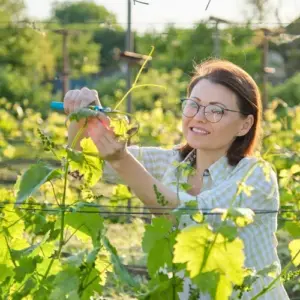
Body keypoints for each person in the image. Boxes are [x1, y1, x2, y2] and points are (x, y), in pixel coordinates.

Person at [64, 59, 289, 299]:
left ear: (245, 124)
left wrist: (122, 160)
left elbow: (188, 216)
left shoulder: (256, 175)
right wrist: (84, 119)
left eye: (216, 110)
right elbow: (86, 168)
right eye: (193, 104)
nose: (199, 117)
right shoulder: (171, 162)